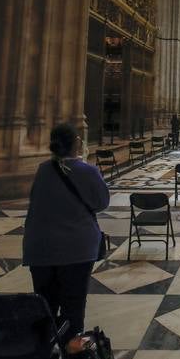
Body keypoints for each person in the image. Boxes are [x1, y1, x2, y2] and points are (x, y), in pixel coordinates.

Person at [22, 123, 109, 342]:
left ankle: (42, 358)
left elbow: (36, 202)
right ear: (77, 144)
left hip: (39, 249)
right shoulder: (87, 171)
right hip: (76, 250)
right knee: (73, 309)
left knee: (45, 307)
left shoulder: (42, 170)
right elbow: (101, 202)